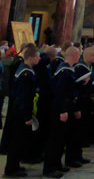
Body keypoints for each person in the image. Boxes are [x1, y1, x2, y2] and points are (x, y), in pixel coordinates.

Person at [43, 46, 81, 178]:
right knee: (55, 139)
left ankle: (57, 164)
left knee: (61, 139)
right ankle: (49, 168)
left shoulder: (68, 69)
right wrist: (63, 110)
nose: (79, 57)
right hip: (60, 108)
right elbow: (60, 92)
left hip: (66, 107)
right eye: (78, 55)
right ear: (74, 55)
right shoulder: (64, 71)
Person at [4, 44, 39, 178]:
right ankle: (11, 169)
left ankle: (15, 165)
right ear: (31, 58)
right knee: (16, 141)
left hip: (19, 110)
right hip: (21, 112)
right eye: (38, 57)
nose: (39, 59)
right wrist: (27, 116)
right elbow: (24, 97)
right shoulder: (26, 74)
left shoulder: (23, 69)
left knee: (19, 141)